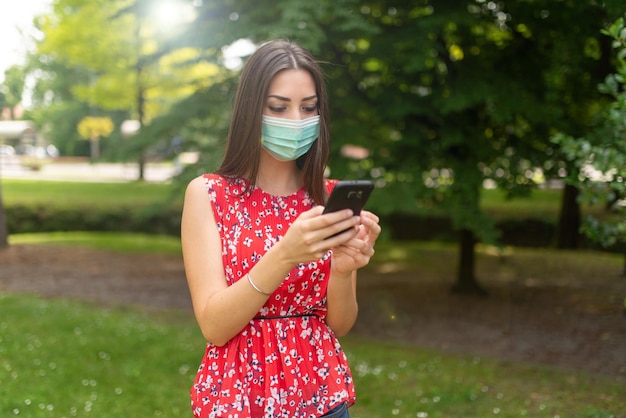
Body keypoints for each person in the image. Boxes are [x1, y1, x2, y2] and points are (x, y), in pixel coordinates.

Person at [181, 39, 381, 418]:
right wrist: (284, 255)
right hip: (241, 400)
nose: (296, 121)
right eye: (278, 107)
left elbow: (339, 324)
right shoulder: (209, 194)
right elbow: (214, 326)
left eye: (309, 108)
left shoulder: (328, 196)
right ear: (251, 110)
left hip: (323, 398)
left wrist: (343, 269)